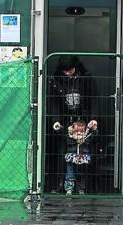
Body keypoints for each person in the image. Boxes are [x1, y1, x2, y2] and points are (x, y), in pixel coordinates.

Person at [45, 55, 96, 193]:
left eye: (70, 70)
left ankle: (81, 186)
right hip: (64, 121)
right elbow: (53, 101)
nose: (67, 73)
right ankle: (61, 183)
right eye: (65, 71)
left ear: (76, 67)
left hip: (82, 121)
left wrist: (93, 118)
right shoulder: (55, 79)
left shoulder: (86, 78)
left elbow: (93, 99)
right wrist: (55, 120)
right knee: (63, 152)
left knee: (83, 154)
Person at [53, 119, 98, 195]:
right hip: (71, 158)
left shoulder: (86, 138)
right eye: (77, 131)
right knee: (69, 174)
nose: (79, 133)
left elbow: (94, 134)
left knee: (81, 174)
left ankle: (80, 189)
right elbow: (63, 133)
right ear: (72, 131)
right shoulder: (69, 137)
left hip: (82, 158)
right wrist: (59, 127)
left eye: (81, 131)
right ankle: (69, 189)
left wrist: (94, 128)